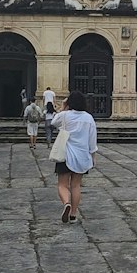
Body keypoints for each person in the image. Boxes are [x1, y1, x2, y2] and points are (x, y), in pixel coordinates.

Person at [50, 90, 98, 223]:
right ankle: (73, 214)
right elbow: (92, 140)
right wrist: (93, 155)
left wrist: (63, 107)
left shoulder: (65, 115)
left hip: (65, 155)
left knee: (62, 185)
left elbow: (53, 122)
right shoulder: (89, 118)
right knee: (76, 186)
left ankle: (66, 203)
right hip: (82, 156)